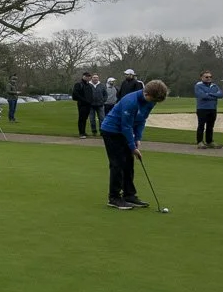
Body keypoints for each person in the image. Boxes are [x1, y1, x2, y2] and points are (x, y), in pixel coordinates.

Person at [100, 79, 169, 209]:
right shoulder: (130, 101)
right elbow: (126, 126)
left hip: (124, 131)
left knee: (128, 164)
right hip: (111, 131)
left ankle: (129, 195)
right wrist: (132, 147)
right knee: (118, 164)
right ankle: (114, 197)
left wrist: (137, 138)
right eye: (153, 99)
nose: (154, 103)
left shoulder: (151, 101)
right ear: (146, 93)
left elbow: (142, 120)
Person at [193, 71, 223, 147]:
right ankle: (199, 141)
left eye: (210, 77)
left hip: (212, 108)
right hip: (202, 109)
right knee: (201, 125)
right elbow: (202, 96)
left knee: (210, 126)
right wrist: (214, 95)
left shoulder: (214, 85)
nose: (209, 78)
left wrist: (209, 94)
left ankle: (209, 141)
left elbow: (220, 95)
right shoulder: (198, 85)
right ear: (202, 77)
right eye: (206, 77)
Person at [70, 71, 99, 137]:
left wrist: (90, 101)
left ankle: (83, 131)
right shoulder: (79, 84)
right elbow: (76, 94)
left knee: (85, 118)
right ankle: (81, 133)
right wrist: (84, 100)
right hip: (82, 104)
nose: (88, 78)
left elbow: (90, 94)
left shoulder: (88, 85)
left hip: (88, 104)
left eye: (89, 77)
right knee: (81, 118)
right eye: (87, 76)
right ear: (84, 76)